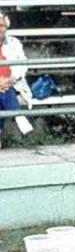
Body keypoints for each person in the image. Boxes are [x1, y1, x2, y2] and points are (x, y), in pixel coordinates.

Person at [0, 10, 28, 149]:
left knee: (3, 91)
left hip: (12, 84)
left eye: (2, 25)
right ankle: (18, 115)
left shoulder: (14, 43)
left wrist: (11, 78)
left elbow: (23, 65)